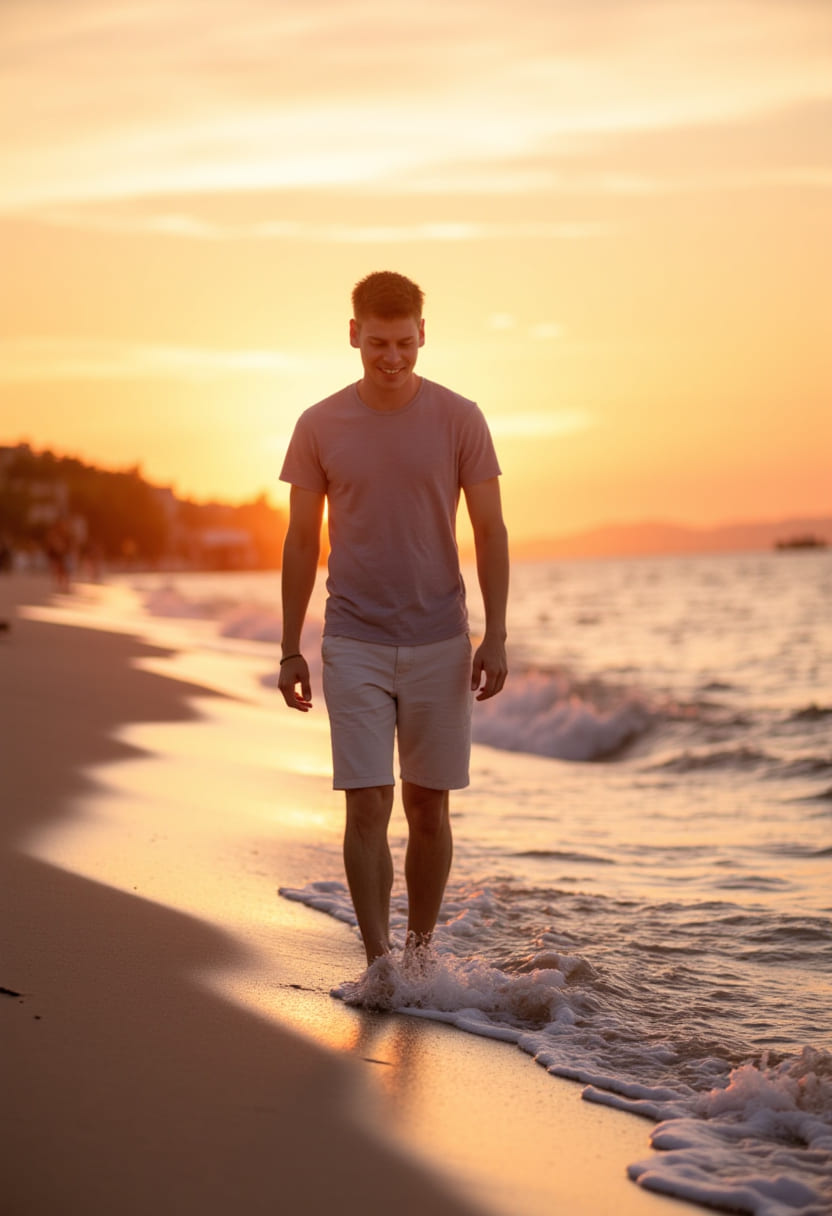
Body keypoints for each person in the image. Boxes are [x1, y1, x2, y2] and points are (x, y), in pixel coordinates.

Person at [278, 271, 509, 965]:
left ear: (423, 335)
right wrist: (290, 647)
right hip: (353, 638)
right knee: (367, 803)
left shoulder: (460, 418)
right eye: (378, 342)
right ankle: (379, 963)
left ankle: (419, 955)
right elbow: (300, 541)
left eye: (405, 343)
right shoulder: (318, 424)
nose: (392, 357)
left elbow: (491, 531)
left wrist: (496, 634)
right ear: (354, 334)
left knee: (429, 809)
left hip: (441, 639)